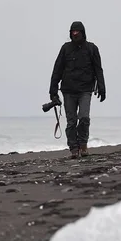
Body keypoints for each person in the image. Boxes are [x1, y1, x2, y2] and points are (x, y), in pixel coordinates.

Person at [49, 21, 106, 159]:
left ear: (83, 32)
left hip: (86, 89)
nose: (75, 34)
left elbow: (98, 69)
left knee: (84, 118)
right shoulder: (65, 48)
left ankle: (83, 145)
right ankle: (74, 148)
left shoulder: (92, 48)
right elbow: (57, 69)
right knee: (71, 121)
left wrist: (102, 88)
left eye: (77, 32)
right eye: (73, 32)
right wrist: (53, 90)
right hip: (68, 90)